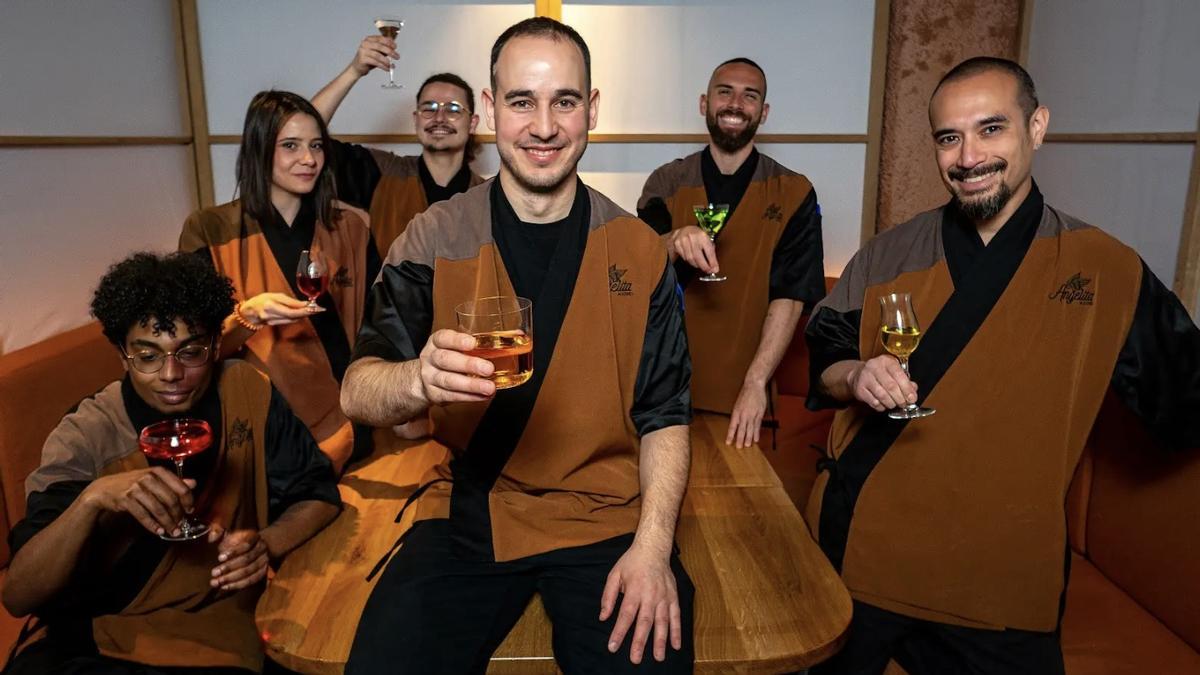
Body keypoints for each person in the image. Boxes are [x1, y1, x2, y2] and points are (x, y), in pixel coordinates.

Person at [804, 57, 1200, 674]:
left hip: (1002, 579)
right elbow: (825, 355)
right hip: (863, 550)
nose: (968, 157)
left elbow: (1182, 401)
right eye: (948, 137)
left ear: (1036, 127)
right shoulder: (889, 253)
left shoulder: (1105, 269)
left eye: (992, 129)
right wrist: (855, 375)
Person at [339, 17, 695, 673]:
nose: (544, 125)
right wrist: (417, 379)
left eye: (564, 100)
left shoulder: (639, 251)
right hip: (470, 510)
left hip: (606, 517)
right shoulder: (435, 235)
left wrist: (652, 546)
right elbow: (358, 389)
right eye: (521, 101)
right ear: (490, 108)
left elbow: (665, 413)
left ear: (590, 109)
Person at [1, 251, 341, 675]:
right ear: (121, 353)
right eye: (147, 356)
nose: (170, 374)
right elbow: (18, 595)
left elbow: (319, 494)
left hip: (215, 636)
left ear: (216, 343)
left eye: (190, 352)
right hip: (97, 640)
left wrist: (265, 543)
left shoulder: (247, 391)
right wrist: (90, 501)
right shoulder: (87, 433)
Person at [179, 90, 382, 472]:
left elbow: (380, 320)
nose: (309, 159)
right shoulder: (210, 230)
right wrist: (248, 316)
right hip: (261, 422)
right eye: (291, 145)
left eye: (316, 146)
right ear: (259, 151)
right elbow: (189, 352)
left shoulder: (350, 227)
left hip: (347, 416)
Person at [637, 57, 826, 449]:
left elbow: (790, 297)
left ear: (764, 112)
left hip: (741, 394)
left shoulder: (793, 192)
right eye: (725, 91)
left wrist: (756, 384)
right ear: (704, 104)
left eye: (749, 95)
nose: (736, 103)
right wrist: (673, 241)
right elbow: (636, 269)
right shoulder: (666, 182)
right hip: (662, 388)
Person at [312, 34, 485, 259]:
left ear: (472, 123)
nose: (439, 118)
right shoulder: (383, 172)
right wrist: (354, 71)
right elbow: (303, 133)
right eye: (429, 108)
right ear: (416, 120)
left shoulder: (488, 196)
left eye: (453, 109)